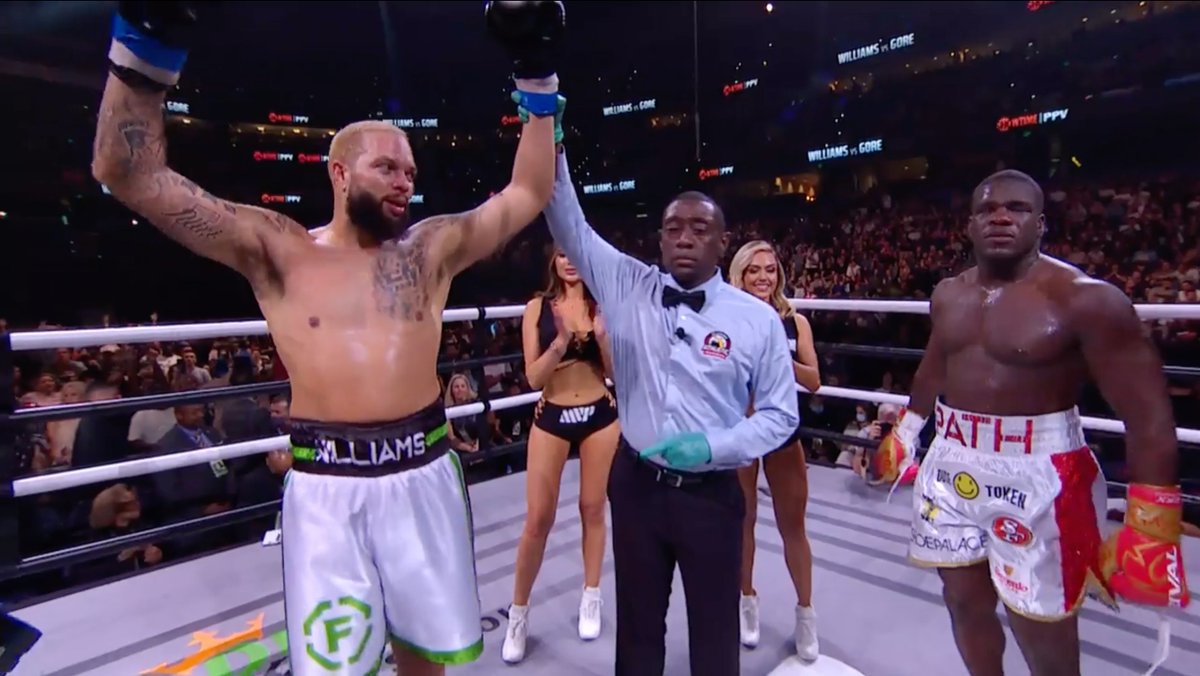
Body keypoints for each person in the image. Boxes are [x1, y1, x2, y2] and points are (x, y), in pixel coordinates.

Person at [90, 3, 566, 673]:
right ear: (339, 174)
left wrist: (537, 75)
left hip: (423, 471)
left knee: (425, 659)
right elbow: (128, 173)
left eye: (409, 172)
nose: (404, 182)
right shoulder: (279, 251)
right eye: (386, 168)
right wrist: (145, 46)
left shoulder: (429, 251)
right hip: (327, 486)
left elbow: (528, 190)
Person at [889, 169, 1190, 676]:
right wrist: (905, 430)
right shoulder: (948, 294)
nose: (1000, 217)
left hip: (1042, 474)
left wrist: (1150, 521)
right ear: (969, 225)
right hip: (951, 461)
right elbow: (935, 364)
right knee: (962, 600)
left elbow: (1148, 416)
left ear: (1040, 223)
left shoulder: (1087, 300)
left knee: (1040, 627)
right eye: (987, 209)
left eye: (1017, 208)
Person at [537, 140, 799, 675]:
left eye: (699, 229)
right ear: (659, 238)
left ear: (723, 242)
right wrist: (552, 144)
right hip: (637, 485)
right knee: (636, 630)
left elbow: (781, 415)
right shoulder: (627, 283)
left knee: (715, 635)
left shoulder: (757, 320)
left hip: (712, 495)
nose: (684, 237)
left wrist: (715, 445)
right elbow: (570, 226)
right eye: (673, 227)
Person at [502, 248, 619, 663]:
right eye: (561, 254)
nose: (569, 262)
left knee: (593, 508)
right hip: (552, 415)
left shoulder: (602, 304)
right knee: (538, 519)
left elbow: (615, 374)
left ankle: (591, 595)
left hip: (599, 416)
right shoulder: (537, 308)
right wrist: (562, 341)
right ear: (552, 260)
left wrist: (601, 338)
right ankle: (518, 614)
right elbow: (533, 377)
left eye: (575, 254)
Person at [727, 240, 820, 660]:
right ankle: (747, 601)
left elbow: (814, 381)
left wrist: (782, 357)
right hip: (741, 429)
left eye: (769, 269)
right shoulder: (727, 319)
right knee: (742, 521)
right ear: (741, 275)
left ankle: (806, 614)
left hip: (782, 430)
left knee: (793, 526)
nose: (763, 277)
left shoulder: (794, 322)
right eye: (754, 270)